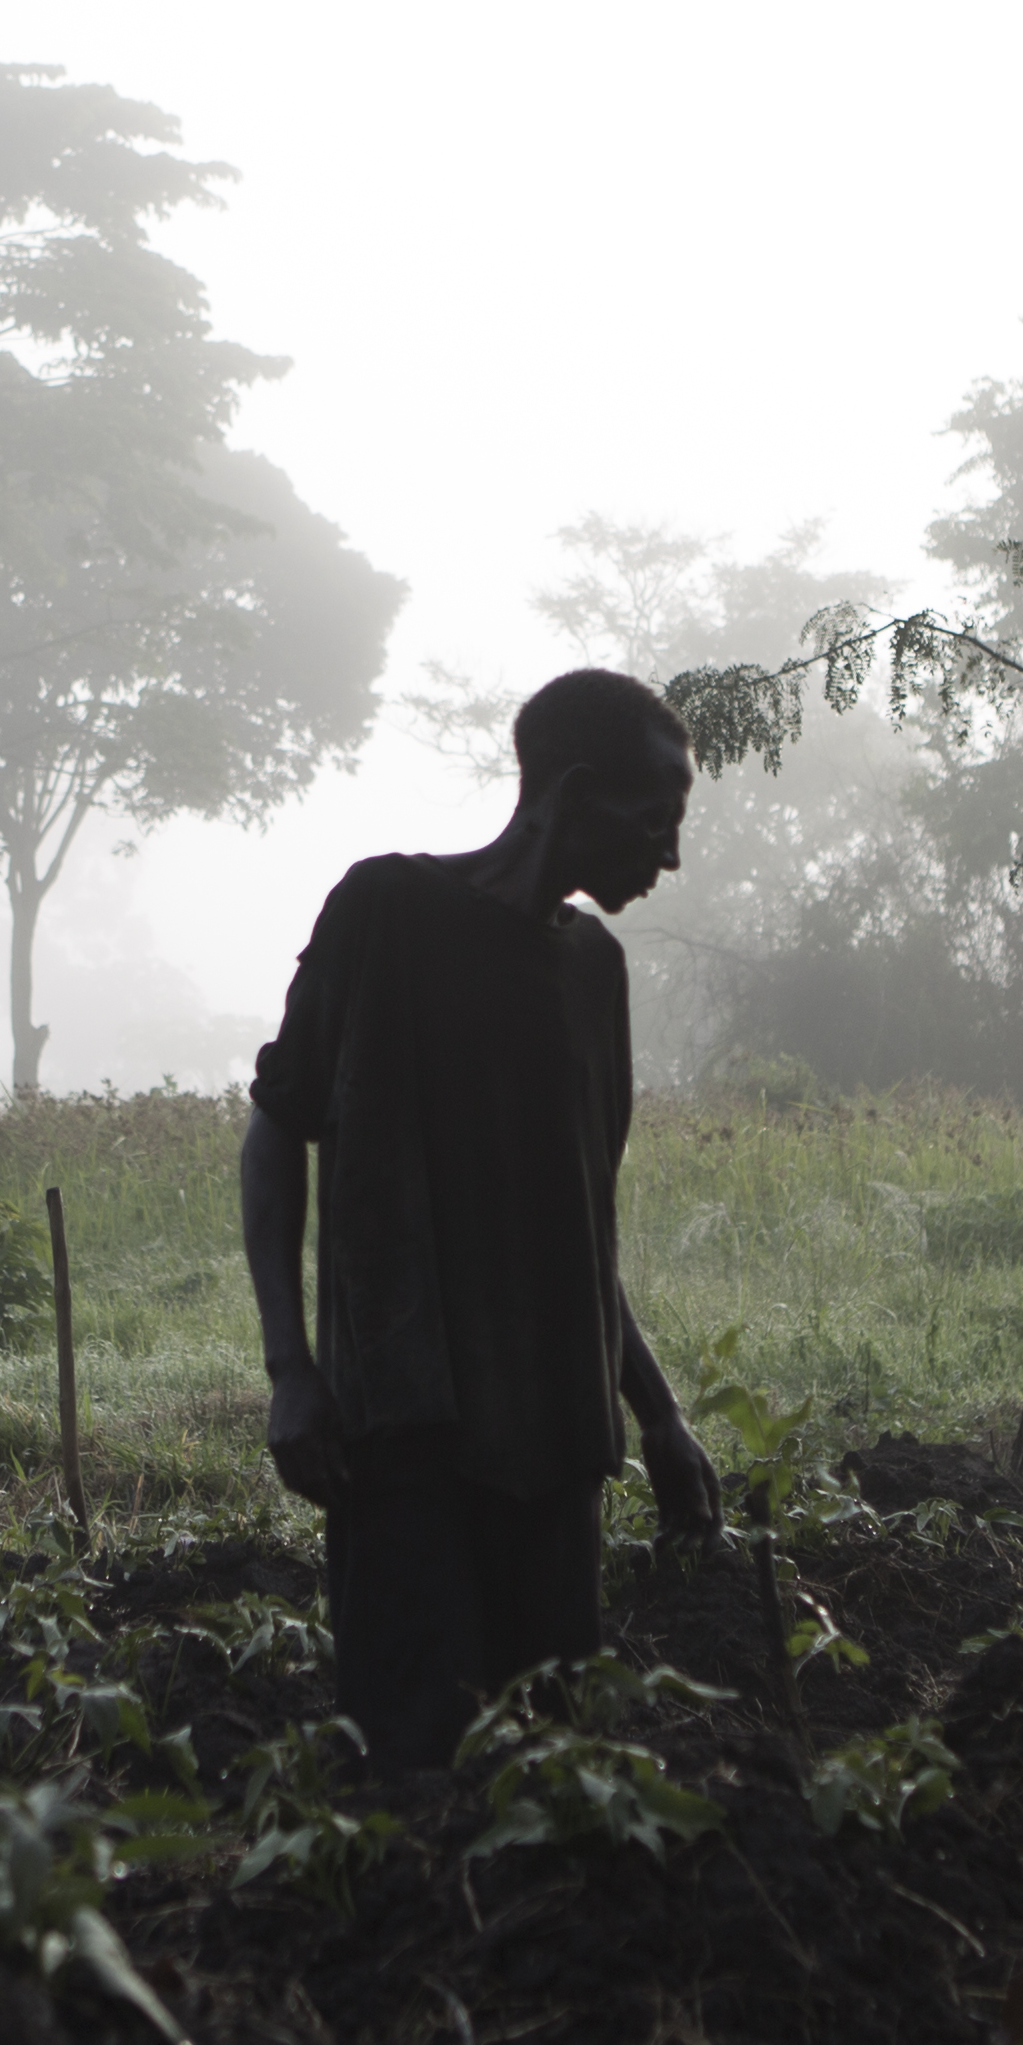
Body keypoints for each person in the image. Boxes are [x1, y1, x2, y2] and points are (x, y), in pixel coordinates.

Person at [242, 667, 723, 1769]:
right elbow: (278, 1129)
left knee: (548, 1769)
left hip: (557, 1448)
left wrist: (657, 1417)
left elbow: (582, 1233)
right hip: (408, 1435)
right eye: (657, 821)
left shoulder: (594, 973)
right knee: (412, 1759)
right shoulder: (386, 912)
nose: (670, 856)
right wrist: (291, 1369)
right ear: (574, 790)